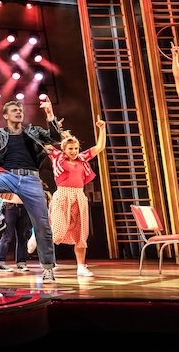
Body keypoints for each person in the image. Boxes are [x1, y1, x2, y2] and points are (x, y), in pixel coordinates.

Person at [0, 97, 63, 282]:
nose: (19, 112)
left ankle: (47, 268)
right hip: (9, 176)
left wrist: (50, 114)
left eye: (20, 110)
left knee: (42, 225)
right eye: (14, 110)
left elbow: (55, 138)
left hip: (31, 179)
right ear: (5, 115)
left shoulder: (32, 130)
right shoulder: (1, 133)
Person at [47, 116, 107, 277]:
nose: (73, 151)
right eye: (70, 149)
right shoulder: (57, 157)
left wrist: (102, 128)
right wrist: (55, 129)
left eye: (76, 148)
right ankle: (37, 237)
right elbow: (45, 144)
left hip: (79, 197)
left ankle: (81, 267)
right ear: (64, 149)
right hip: (62, 195)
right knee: (57, 231)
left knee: (81, 234)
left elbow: (99, 147)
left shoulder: (82, 159)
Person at [0, 193, 31, 272]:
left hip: (25, 206)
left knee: (23, 237)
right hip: (9, 206)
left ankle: (21, 262)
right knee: (7, 236)